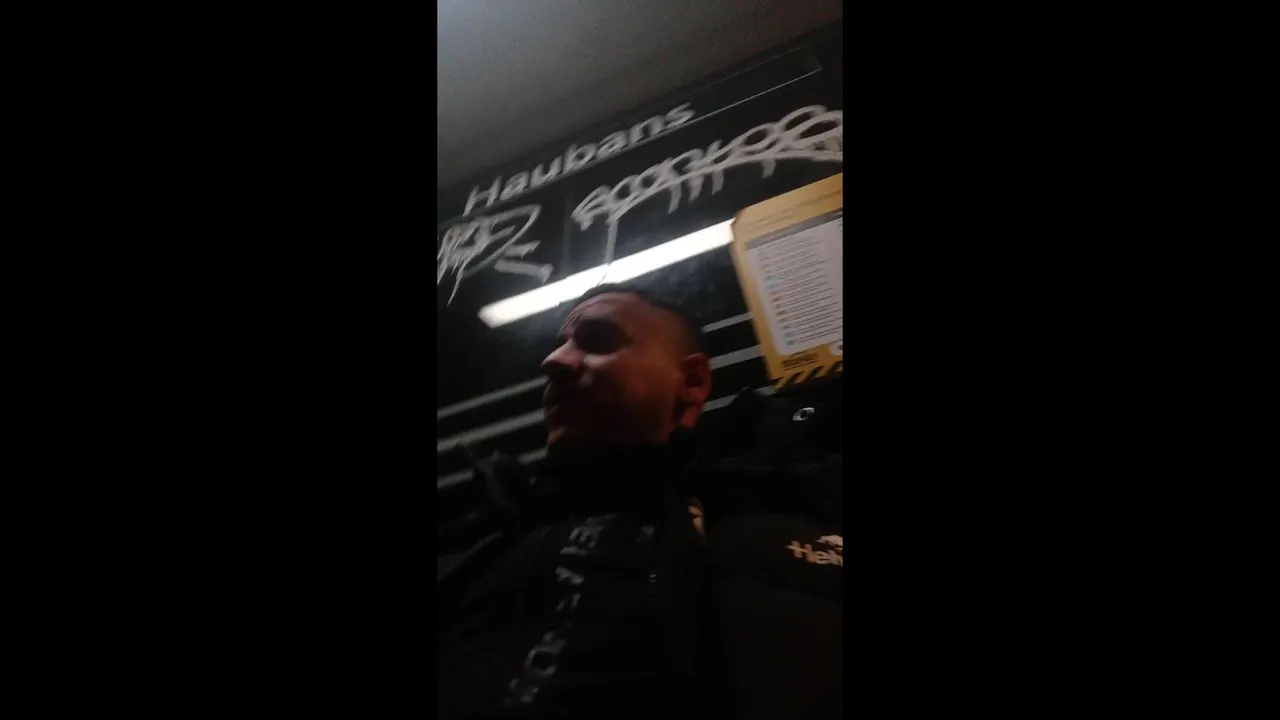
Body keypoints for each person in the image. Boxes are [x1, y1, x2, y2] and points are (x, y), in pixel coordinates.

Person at [438, 283, 843, 719]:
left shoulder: (785, 512)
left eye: (598, 341)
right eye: (560, 345)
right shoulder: (492, 537)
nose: (552, 361)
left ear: (692, 381)